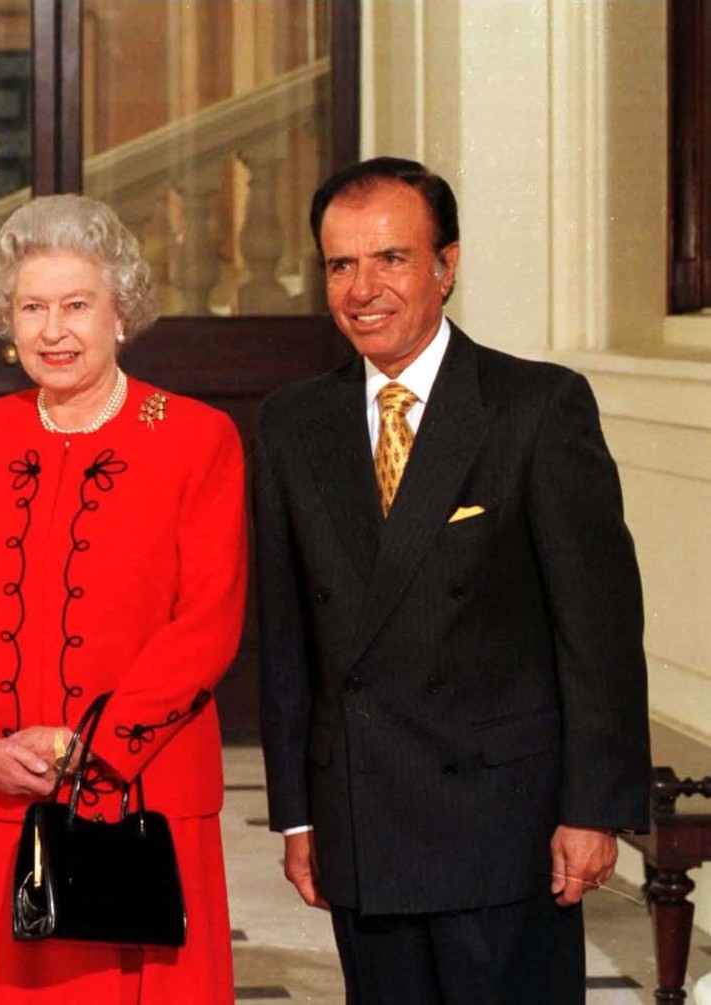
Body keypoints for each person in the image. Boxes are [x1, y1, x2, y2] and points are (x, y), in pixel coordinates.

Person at [255, 156, 652, 1003]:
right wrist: (297, 811)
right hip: (361, 816)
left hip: (505, 823)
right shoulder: (292, 423)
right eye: (339, 264)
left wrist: (591, 807)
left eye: (390, 258)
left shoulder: (535, 407)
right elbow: (286, 639)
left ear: (446, 264)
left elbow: (599, 629)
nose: (362, 288)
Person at [0, 194, 247, 1003]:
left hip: (143, 798)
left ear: (120, 312)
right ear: (6, 324)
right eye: (31, 308)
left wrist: (96, 748)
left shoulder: (196, 436)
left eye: (75, 306)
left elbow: (208, 619)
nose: (52, 330)